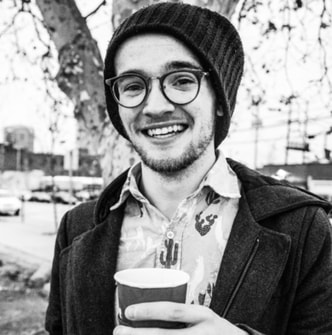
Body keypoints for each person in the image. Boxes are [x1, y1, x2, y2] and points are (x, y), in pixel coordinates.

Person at [45, 2, 332, 335]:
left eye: (181, 80)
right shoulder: (77, 228)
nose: (155, 106)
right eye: (134, 86)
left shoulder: (303, 228)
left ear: (220, 100)